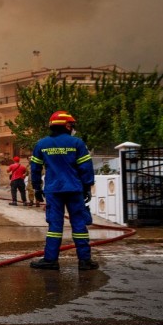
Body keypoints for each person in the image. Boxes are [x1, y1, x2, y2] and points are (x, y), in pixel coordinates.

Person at [29, 110, 98, 271]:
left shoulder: (41, 144)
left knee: (54, 226)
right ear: (66, 125)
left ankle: (51, 260)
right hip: (74, 189)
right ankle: (84, 261)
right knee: (79, 224)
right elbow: (86, 167)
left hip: (53, 190)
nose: (72, 128)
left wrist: (37, 188)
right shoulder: (77, 143)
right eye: (71, 125)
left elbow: (35, 169)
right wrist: (87, 187)